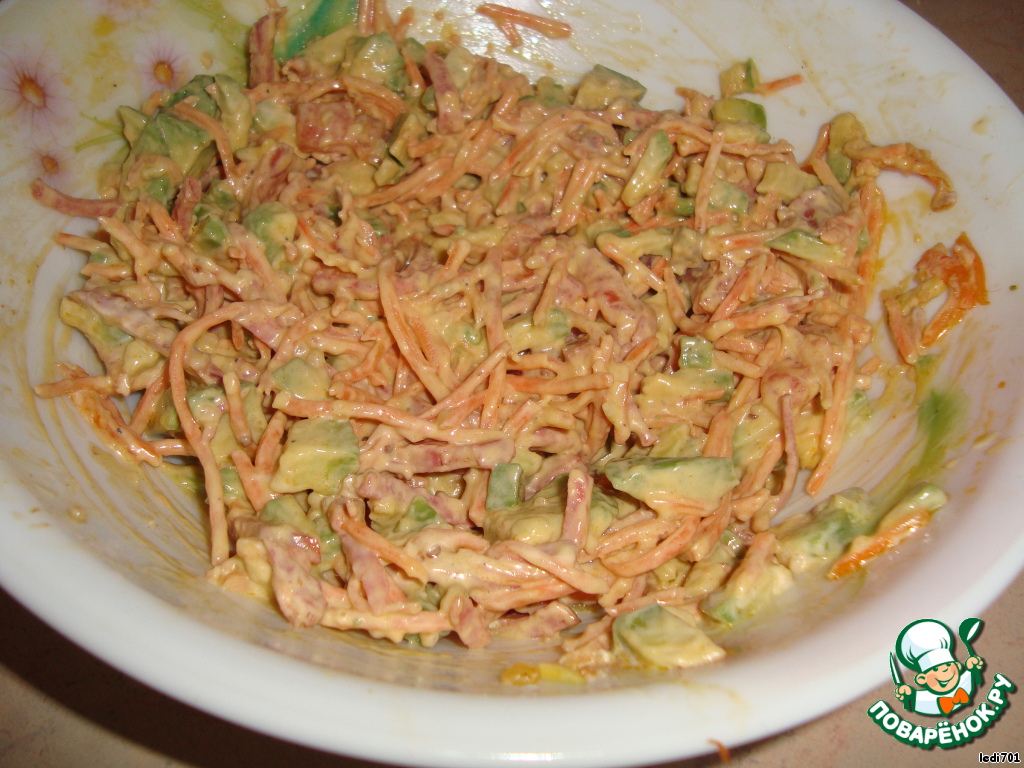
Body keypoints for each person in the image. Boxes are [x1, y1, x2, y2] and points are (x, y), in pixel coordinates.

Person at [894, 619, 984, 716]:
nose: (944, 673)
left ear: (958, 666)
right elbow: (912, 699)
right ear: (921, 679)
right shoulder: (925, 700)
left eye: (948, 665)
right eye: (936, 669)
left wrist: (973, 667)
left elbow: (973, 676)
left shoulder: (965, 683)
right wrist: (907, 694)